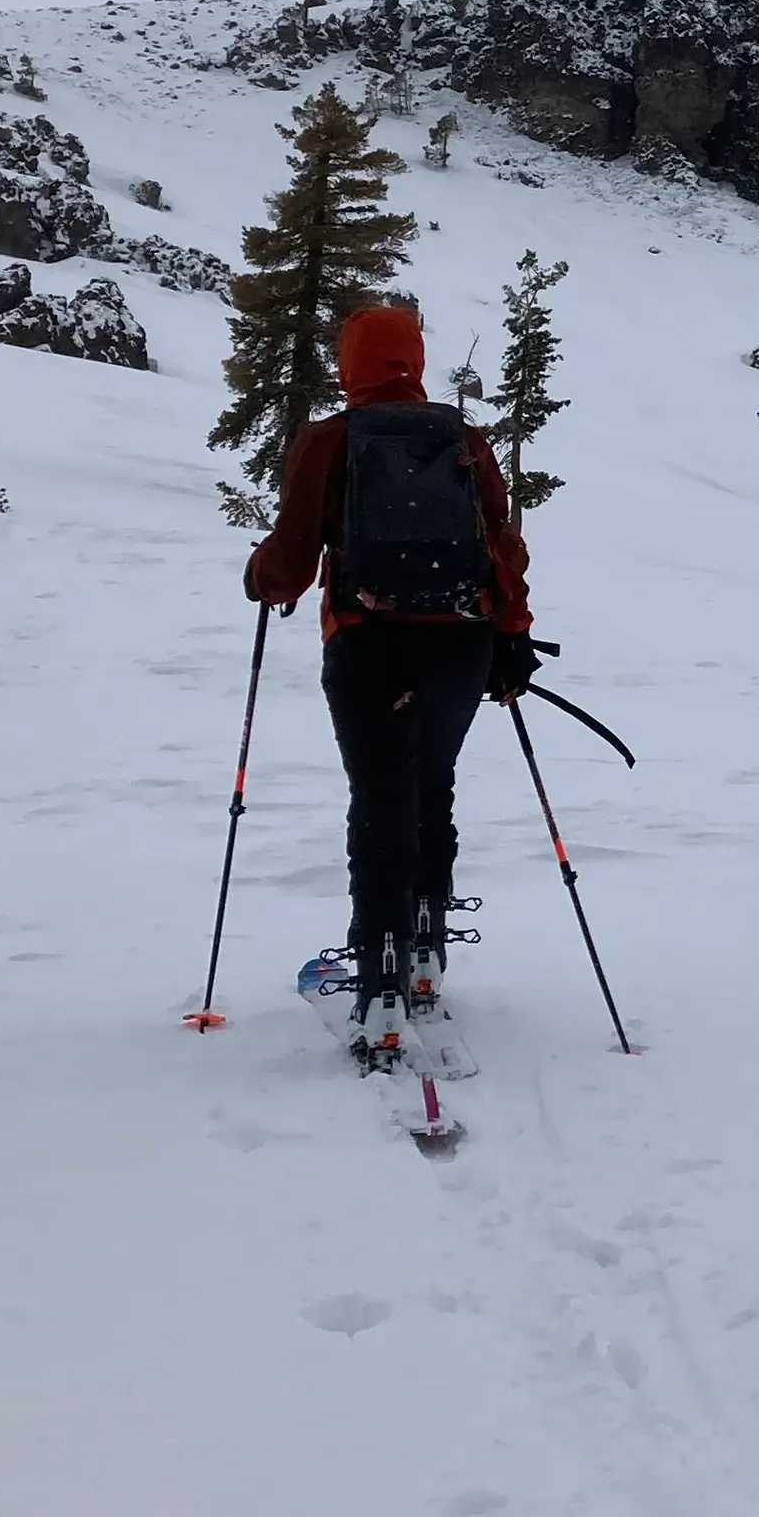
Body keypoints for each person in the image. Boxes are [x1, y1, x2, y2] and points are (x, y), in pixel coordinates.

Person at [243, 298, 533, 1051]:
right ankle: (428, 944)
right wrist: (512, 638)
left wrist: (262, 576)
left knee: (379, 798)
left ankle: (380, 976)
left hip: (370, 642)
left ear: (350, 365)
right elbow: (503, 548)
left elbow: (291, 559)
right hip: (459, 645)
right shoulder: (465, 440)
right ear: (416, 362)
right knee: (430, 783)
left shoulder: (330, 440)